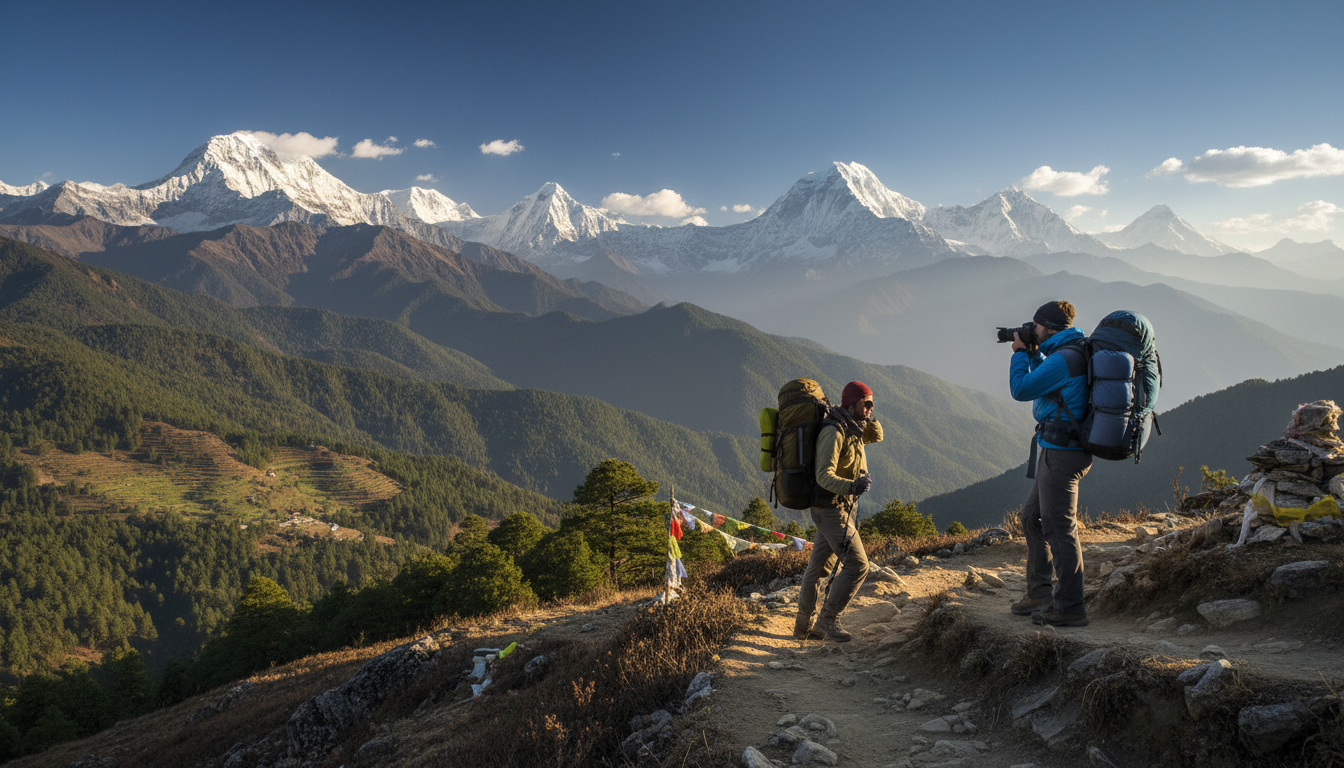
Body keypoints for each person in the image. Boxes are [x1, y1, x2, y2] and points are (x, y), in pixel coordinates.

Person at [1008, 300, 1092, 627]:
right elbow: (1050, 374)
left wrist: (1018, 353)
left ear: (1051, 329)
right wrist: (1032, 352)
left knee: (1059, 528)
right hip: (1057, 449)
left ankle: (1070, 607)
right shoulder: (1068, 351)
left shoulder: (1065, 358)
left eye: (1037, 326)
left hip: (1062, 452)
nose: (1033, 330)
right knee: (1032, 517)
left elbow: (1021, 389)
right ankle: (1040, 592)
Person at [794, 381, 883, 642]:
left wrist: (868, 412)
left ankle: (802, 628)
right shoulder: (834, 432)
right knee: (857, 564)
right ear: (851, 403)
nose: (870, 407)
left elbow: (877, 435)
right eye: (866, 403)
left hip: (838, 507)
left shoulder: (852, 427)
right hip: (830, 508)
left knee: (819, 567)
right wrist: (852, 485)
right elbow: (823, 475)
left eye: (872, 403)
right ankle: (827, 620)